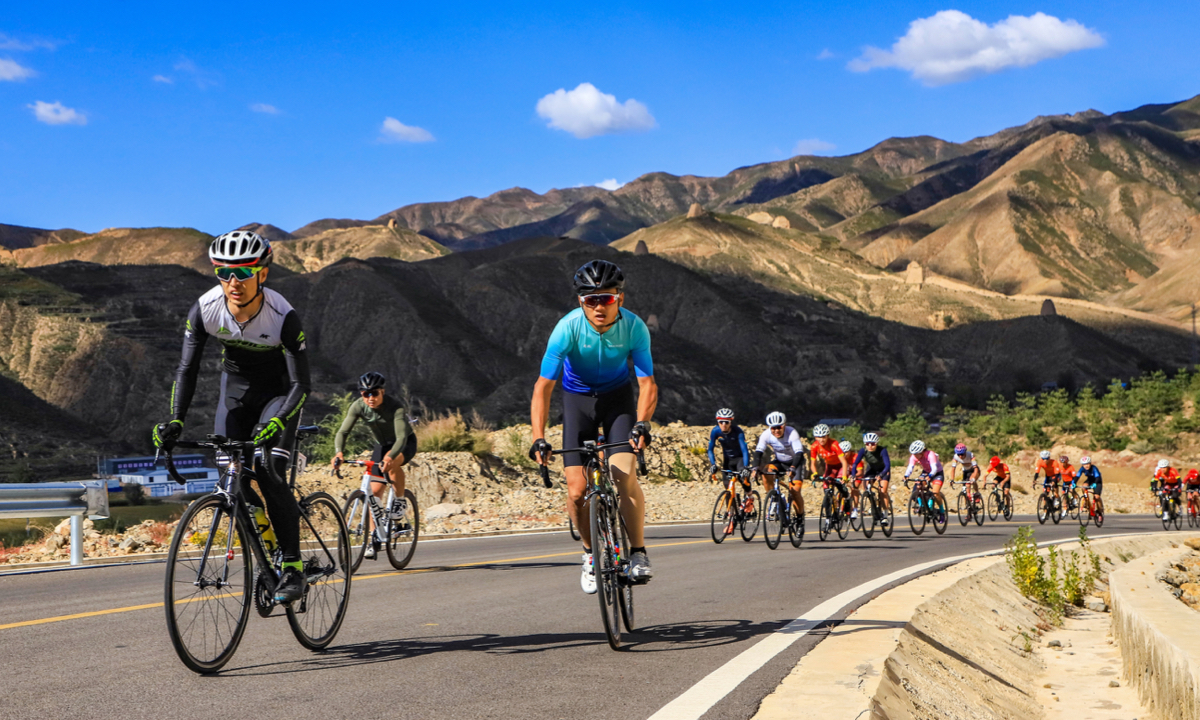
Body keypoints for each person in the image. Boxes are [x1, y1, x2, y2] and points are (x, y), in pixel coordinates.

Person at [152, 230, 311, 603]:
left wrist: (279, 420)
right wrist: (176, 419)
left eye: (243, 272)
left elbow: (303, 384)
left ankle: (293, 567)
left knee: (268, 467)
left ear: (263, 274)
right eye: (224, 273)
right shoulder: (205, 308)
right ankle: (265, 545)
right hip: (236, 395)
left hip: (280, 394)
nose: (233, 282)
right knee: (232, 476)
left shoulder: (283, 315)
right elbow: (186, 370)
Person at [529, 259, 657, 595]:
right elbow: (543, 387)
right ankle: (589, 554)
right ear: (580, 302)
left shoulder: (634, 327)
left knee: (622, 473)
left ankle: (638, 553)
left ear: (620, 299)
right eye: (591, 300)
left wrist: (642, 423)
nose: (600, 306)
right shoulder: (567, 328)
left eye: (607, 299)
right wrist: (539, 438)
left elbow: (647, 384)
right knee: (575, 490)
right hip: (578, 402)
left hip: (618, 401)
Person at [332, 371, 418, 559]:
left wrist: (390, 457)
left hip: (404, 443)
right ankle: (373, 537)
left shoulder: (395, 407)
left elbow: (402, 437)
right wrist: (339, 451)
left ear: (382, 392)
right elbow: (343, 432)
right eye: (365, 394)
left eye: (374, 393)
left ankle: (400, 501)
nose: (370, 398)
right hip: (382, 444)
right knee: (374, 493)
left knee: (393, 462)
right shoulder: (358, 406)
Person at [753, 412, 807, 520]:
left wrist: (793, 468)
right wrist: (755, 468)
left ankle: (800, 517)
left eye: (779, 427)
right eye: (773, 428)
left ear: (784, 425)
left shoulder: (792, 433)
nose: (776, 431)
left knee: (794, 492)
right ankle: (774, 499)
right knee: (766, 472)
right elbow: (758, 452)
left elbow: (799, 453)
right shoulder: (766, 434)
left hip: (796, 463)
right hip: (780, 462)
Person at [851, 433, 892, 524]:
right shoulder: (863, 450)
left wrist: (881, 475)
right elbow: (855, 464)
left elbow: (887, 465)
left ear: (876, 443)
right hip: (872, 470)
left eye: (872, 444)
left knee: (883, 491)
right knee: (866, 488)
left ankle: (885, 514)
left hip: (883, 470)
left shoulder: (882, 450)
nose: (870, 446)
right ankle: (873, 505)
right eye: (867, 444)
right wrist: (853, 475)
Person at [707, 407, 750, 483]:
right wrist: (713, 464)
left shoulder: (738, 431)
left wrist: (746, 467)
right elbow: (710, 450)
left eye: (726, 422)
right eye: (721, 422)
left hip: (740, 459)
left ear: (730, 422)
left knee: (743, 479)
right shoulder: (715, 431)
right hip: (728, 460)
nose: (724, 425)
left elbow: (745, 450)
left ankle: (749, 494)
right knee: (727, 485)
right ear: (718, 422)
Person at [904, 440, 945, 511]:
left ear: (922, 452)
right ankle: (922, 505)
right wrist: (906, 475)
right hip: (926, 472)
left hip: (937, 473)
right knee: (918, 485)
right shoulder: (913, 456)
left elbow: (934, 468)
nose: (915, 456)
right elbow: (910, 467)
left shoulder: (930, 454)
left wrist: (930, 476)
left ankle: (941, 510)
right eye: (914, 454)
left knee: (935, 493)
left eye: (917, 454)